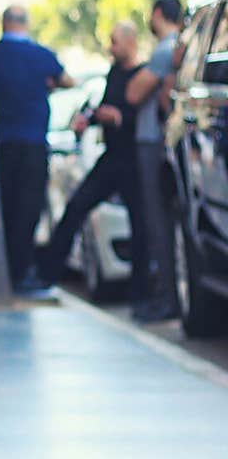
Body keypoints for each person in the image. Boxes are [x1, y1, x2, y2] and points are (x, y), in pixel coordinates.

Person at [34, 22, 147, 301]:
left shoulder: (143, 75)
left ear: (130, 42)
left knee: (141, 224)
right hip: (111, 158)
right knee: (76, 207)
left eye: (115, 41)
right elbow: (105, 107)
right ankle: (48, 273)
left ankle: (141, 292)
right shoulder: (115, 72)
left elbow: (141, 117)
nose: (111, 47)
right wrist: (91, 118)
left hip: (132, 159)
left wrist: (119, 118)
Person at [0, 5, 74, 293]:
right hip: (33, 142)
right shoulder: (42, 56)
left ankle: (3, 267)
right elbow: (67, 80)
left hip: (1, 143)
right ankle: (21, 270)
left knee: (6, 206)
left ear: (4, 23)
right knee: (28, 210)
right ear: (26, 24)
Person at [125, 0, 183, 323]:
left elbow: (135, 93)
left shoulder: (165, 50)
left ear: (157, 13)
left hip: (153, 142)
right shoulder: (175, 49)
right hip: (166, 142)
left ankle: (167, 299)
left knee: (158, 222)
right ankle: (168, 296)